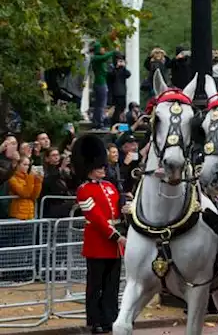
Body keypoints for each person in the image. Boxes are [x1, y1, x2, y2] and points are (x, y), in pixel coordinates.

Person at [73, 134, 123, 334]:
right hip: (98, 243)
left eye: (103, 165)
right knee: (96, 286)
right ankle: (95, 320)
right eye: (99, 166)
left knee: (112, 285)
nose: (103, 168)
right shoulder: (83, 190)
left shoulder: (110, 187)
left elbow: (117, 210)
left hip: (114, 246)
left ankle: (110, 317)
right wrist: (117, 236)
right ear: (89, 167)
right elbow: (97, 219)